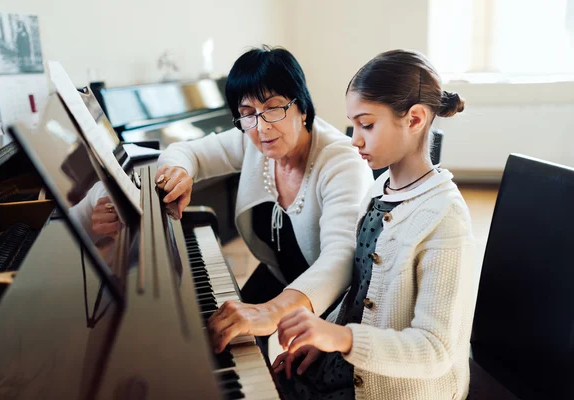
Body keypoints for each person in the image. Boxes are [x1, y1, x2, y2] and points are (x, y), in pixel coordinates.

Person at [273, 49, 476, 400]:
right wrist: (327, 338)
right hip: (356, 363)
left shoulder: (444, 217)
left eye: (367, 124)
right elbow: (361, 292)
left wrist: (341, 339)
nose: (355, 138)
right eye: (353, 124)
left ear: (414, 119)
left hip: (402, 388)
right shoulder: (378, 189)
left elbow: (435, 350)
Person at [155, 46, 372, 355]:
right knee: (227, 335)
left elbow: (340, 258)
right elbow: (186, 151)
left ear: (302, 108)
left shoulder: (341, 162)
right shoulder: (252, 140)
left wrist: (272, 312)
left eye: (274, 108)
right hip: (279, 274)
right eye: (247, 114)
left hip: (333, 299)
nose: (262, 126)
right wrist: (177, 171)